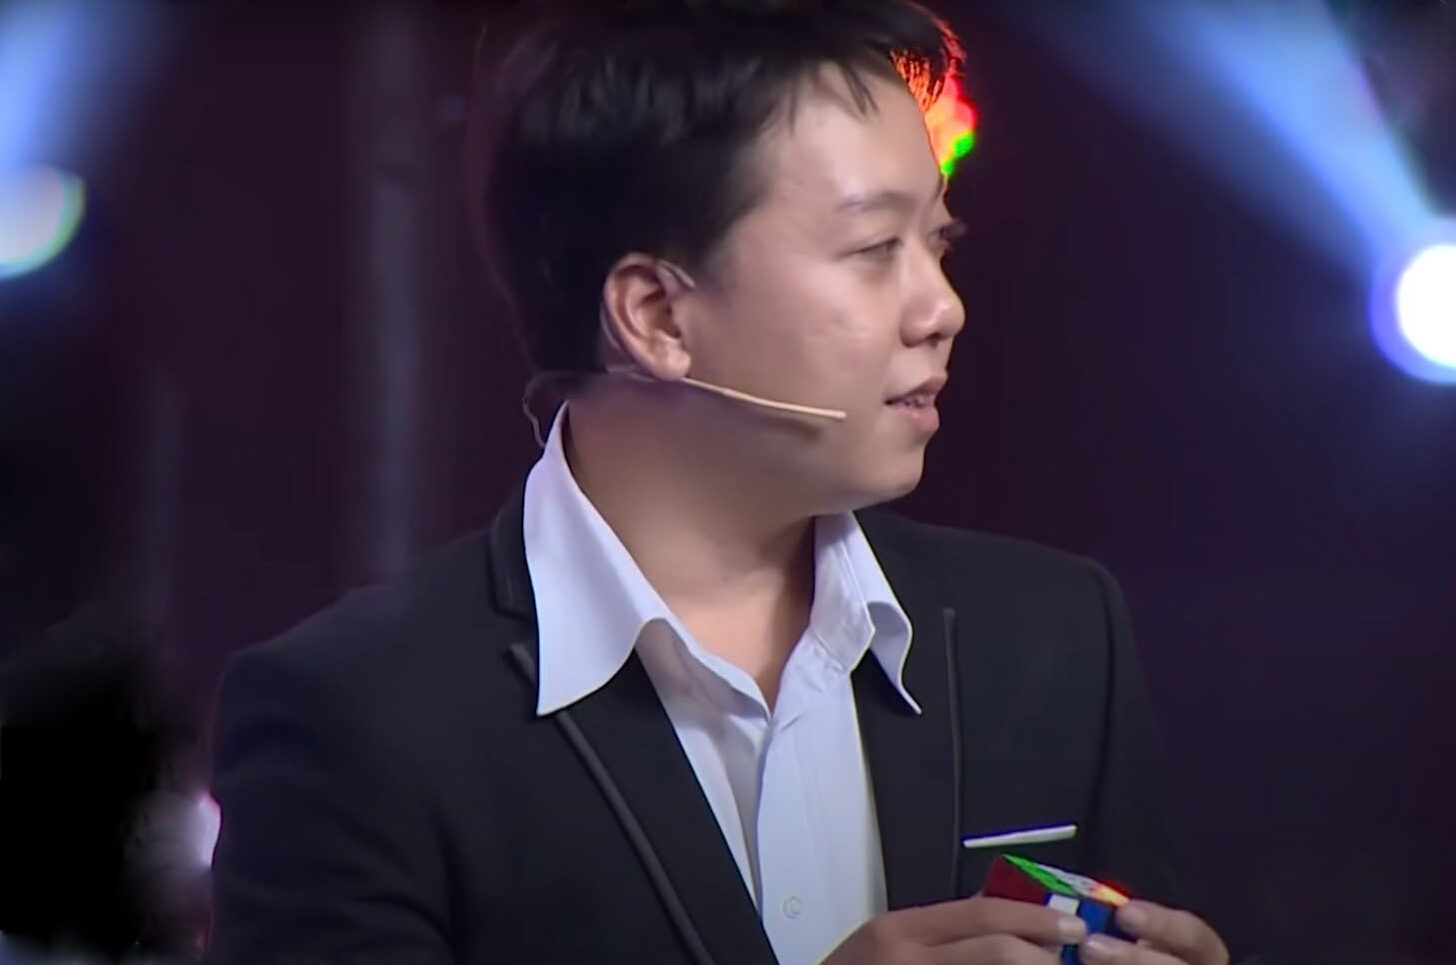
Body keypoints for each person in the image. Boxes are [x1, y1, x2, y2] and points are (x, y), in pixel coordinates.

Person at [207, 2, 1234, 963]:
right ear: (656, 315)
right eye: (874, 248)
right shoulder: (359, 718)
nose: (942, 307)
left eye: (937, 242)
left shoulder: (1057, 637)